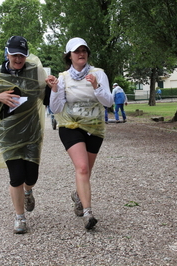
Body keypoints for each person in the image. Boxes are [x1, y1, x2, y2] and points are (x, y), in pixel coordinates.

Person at [0, 36, 48, 234]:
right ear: (7, 53)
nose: (18, 59)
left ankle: (28, 191)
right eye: (14, 55)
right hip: (7, 136)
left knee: (31, 177)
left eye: (22, 55)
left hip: (31, 133)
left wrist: (54, 87)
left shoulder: (34, 71)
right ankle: (20, 217)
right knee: (16, 176)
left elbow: (47, 96)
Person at [46, 37, 113, 230]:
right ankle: (88, 213)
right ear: (69, 56)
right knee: (82, 168)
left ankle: (77, 195)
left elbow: (108, 102)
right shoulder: (63, 77)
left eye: (84, 50)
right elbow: (56, 108)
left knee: (86, 171)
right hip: (71, 126)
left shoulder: (98, 74)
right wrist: (55, 89)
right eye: (77, 51)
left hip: (95, 127)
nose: (81, 53)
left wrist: (96, 87)